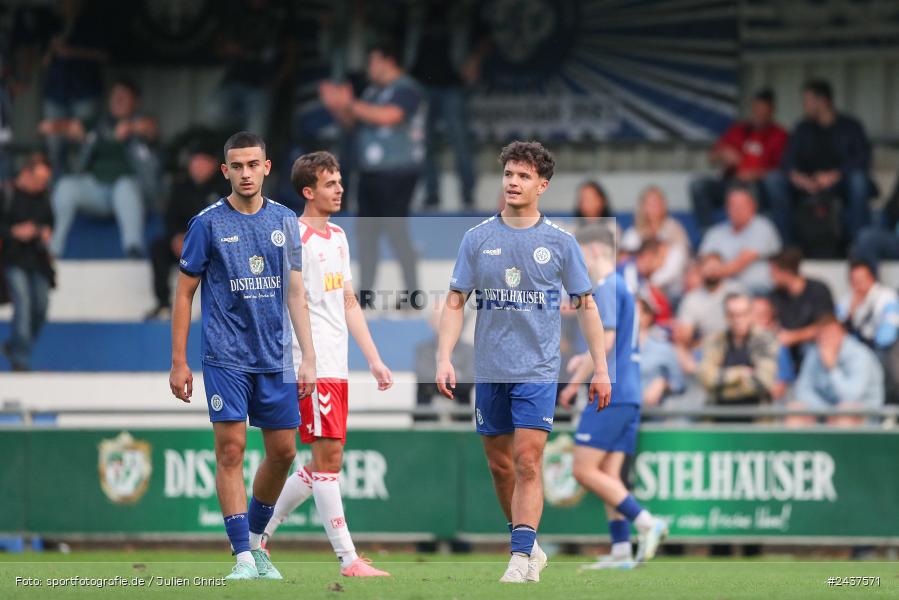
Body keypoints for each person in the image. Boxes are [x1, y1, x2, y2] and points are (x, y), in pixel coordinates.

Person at [435, 141, 612, 583]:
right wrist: (444, 357)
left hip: (537, 370)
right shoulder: (477, 238)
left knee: (530, 461)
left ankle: (518, 558)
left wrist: (602, 368)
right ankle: (526, 542)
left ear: (542, 185)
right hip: (489, 370)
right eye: (509, 174)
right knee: (500, 465)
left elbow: (587, 307)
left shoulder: (560, 243)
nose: (513, 182)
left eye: (523, 176)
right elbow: (456, 302)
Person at [168, 132, 316, 580]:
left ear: (267, 168)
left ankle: (255, 540)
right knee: (230, 451)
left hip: (276, 358)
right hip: (225, 356)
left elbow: (295, 291)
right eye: (238, 165)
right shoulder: (207, 223)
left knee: (284, 452)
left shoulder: (287, 221)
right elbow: (184, 292)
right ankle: (242, 557)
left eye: (254, 164)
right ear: (225, 170)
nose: (246, 173)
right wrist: (179, 361)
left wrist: (307, 355)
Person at [259, 151, 391, 576]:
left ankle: (257, 536)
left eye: (339, 181)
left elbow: (347, 301)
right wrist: (306, 360)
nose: (339, 189)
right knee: (328, 459)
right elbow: (288, 302)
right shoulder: (292, 237)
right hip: (308, 364)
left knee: (320, 464)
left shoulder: (338, 236)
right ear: (308, 191)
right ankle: (348, 559)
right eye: (331, 183)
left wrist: (374, 359)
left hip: (337, 364)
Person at [558, 225, 668, 569]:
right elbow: (611, 343)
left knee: (582, 470)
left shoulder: (605, 287)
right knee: (608, 474)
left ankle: (648, 523)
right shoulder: (623, 286)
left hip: (611, 393)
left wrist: (575, 382)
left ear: (592, 252)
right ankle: (621, 550)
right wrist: (582, 359)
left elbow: (603, 344)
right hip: (629, 391)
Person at [319, 41, 423, 304]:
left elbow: (390, 116)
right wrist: (337, 106)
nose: (369, 68)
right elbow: (352, 122)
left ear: (388, 61)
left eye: (373, 61)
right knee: (366, 233)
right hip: (369, 171)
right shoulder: (372, 92)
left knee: (395, 230)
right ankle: (365, 293)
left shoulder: (407, 89)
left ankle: (412, 293)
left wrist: (350, 103)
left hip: (397, 171)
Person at [44, 79, 158, 258]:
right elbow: (75, 127)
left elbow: (151, 127)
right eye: (115, 96)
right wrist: (54, 126)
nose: (118, 100)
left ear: (135, 101)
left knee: (125, 187)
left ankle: (133, 248)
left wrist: (131, 127)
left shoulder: (141, 121)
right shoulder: (99, 122)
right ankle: (54, 249)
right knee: (66, 186)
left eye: (124, 96)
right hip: (96, 189)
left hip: (128, 192)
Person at [764, 79, 876, 244]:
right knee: (774, 180)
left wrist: (835, 175)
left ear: (822, 101)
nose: (804, 106)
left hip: (839, 184)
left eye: (807, 101)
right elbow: (787, 160)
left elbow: (862, 159)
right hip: (807, 184)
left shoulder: (850, 126)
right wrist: (798, 178)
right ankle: (785, 246)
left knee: (859, 180)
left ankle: (858, 245)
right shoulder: (803, 128)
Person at [406, 2, 486, 209]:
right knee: (424, 143)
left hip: (453, 85)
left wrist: (474, 60)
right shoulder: (417, 11)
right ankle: (431, 194)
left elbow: (486, 37)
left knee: (460, 141)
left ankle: (468, 195)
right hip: (421, 85)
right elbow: (398, 41)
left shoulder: (461, 10)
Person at [145, 140, 229, 320]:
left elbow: (227, 222)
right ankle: (163, 305)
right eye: (193, 161)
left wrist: (198, 241)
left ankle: (220, 307)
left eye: (201, 162)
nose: (196, 166)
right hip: (185, 246)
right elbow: (170, 218)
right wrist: (175, 237)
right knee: (158, 247)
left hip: (213, 245)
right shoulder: (180, 187)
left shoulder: (225, 187)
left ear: (213, 164)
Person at [689, 89, 788, 231]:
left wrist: (755, 174)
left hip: (758, 187)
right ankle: (709, 236)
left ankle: (755, 237)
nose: (758, 115)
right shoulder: (739, 130)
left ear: (772, 111)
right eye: (756, 110)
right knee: (698, 186)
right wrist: (723, 154)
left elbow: (782, 171)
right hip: (731, 183)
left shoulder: (779, 135)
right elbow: (712, 157)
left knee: (756, 186)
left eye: (763, 111)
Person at [40, 0, 107, 176]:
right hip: (56, 93)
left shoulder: (94, 23)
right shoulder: (53, 23)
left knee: (85, 145)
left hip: (84, 92)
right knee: (55, 147)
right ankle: (58, 189)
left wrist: (73, 52)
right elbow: (43, 62)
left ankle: (80, 184)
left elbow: (105, 54)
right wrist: (52, 50)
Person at [0, 155, 54, 371]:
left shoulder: (44, 196)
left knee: (40, 307)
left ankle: (15, 346)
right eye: (39, 179)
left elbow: (50, 222)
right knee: (23, 304)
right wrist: (14, 232)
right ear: (25, 174)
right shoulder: (6, 194)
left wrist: (42, 232)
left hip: (37, 260)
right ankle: (20, 359)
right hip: (13, 257)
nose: (42, 184)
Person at [791, 314, 884, 426]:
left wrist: (832, 368)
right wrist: (826, 411)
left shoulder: (860, 355)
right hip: (827, 411)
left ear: (843, 334)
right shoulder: (814, 353)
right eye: (823, 336)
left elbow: (851, 397)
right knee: (795, 409)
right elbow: (802, 391)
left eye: (832, 335)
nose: (827, 340)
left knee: (846, 412)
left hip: (865, 414)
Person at [697, 293, 778, 416]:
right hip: (718, 416)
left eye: (742, 314)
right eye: (732, 315)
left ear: (751, 314)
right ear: (726, 316)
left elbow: (763, 382)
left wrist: (722, 387)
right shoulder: (714, 341)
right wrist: (740, 372)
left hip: (756, 418)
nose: (737, 320)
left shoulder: (764, 340)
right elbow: (706, 378)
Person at [698, 184, 781, 294]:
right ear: (726, 208)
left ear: (753, 206)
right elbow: (705, 261)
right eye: (733, 206)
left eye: (742, 206)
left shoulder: (763, 227)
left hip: (758, 290)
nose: (737, 210)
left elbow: (739, 264)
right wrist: (706, 271)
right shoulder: (715, 232)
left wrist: (712, 273)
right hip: (722, 290)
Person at [621, 186, 690, 301]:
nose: (653, 207)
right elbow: (625, 262)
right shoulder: (632, 233)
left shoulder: (674, 230)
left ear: (664, 205)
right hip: (636, 290)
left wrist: (651, 285)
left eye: (657, 203)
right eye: (649, 204)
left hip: (671, 291)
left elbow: (676, 265)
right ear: (642, 207)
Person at [768, 248, 834, 366]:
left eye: (774, 272)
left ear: (786, 272)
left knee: (809, 350)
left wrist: (794, 337)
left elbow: (827, 326)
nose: (771, 276)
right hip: (785, 348)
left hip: (815, 346)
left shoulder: (817, 290)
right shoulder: (775, 295)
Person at [837, 260, 899, 352]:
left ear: (871, 278)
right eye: (854, 280)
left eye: (861, 279)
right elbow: (837, 332)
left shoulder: (887, 297)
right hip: (855, 350)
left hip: (881, 349)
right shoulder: (846, 300)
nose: (857, 284)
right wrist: (850, 314)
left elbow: (888, 335)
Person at [636, 298, 685, 409]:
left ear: (647, 316)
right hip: (621, 413)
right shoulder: (614, 347)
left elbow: (679, 384)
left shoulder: (663, 348)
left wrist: (663, 384)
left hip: (654, 415)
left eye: (634, 311)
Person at [751, 295, 795, 402]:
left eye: (762, 315)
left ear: (770, 318)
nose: (756, 319)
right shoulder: (731, 342)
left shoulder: (779, 347)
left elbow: (778, 390)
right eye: (753, 314)